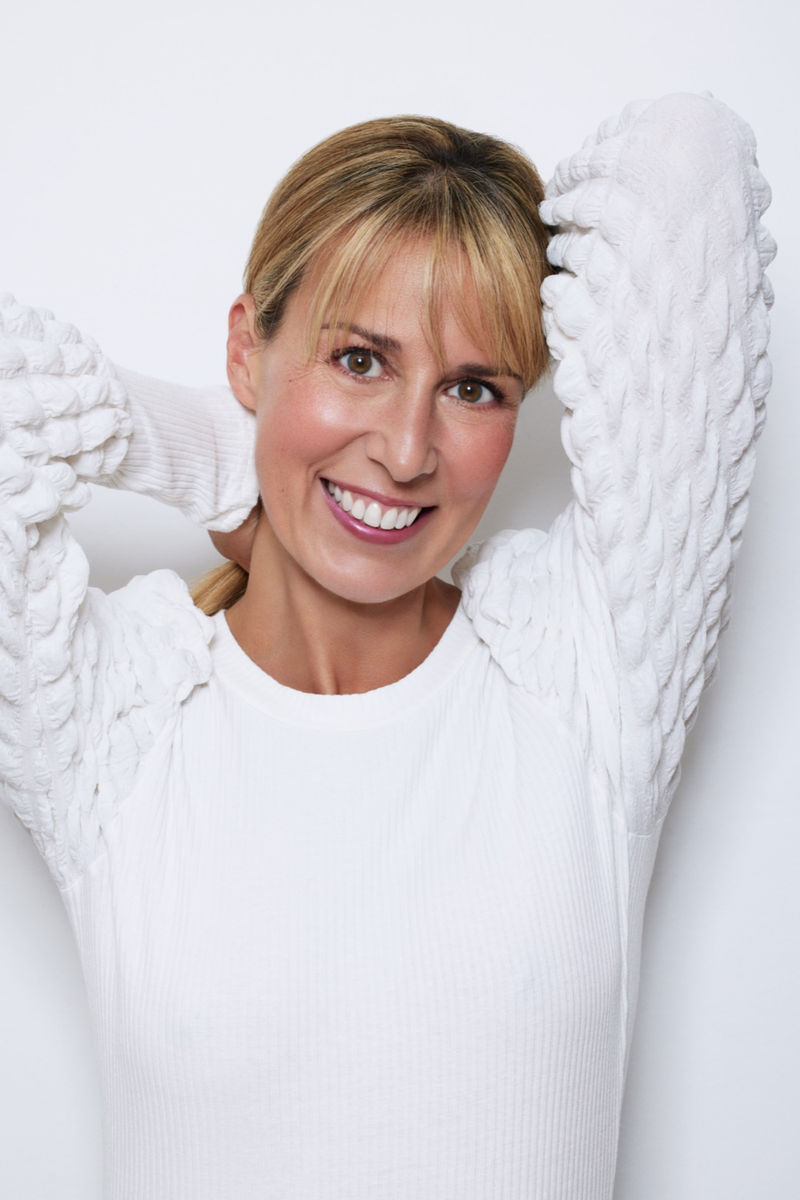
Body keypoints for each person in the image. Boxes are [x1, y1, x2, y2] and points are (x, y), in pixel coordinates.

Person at [0, 92, 774, 1199]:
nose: (408, 451)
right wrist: (216, 460)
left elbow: (688, 164)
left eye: (473, 388)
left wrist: (280, 460)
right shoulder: (114, 725)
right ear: (247, 348)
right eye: (360, 361)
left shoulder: (581, 673)